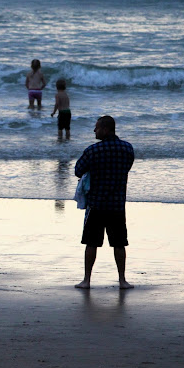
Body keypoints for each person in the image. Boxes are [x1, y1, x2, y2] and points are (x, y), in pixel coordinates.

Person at [74, 115, 134, 289]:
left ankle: (87, 280)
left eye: (97, 127)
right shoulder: (127, 149)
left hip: (96, 204)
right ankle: (122, 280)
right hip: (117, 204)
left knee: (91, 243)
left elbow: (78, 170)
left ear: (106, 129)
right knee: (119, 243)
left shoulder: (93, 151)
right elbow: (127, 168)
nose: (94, 130)